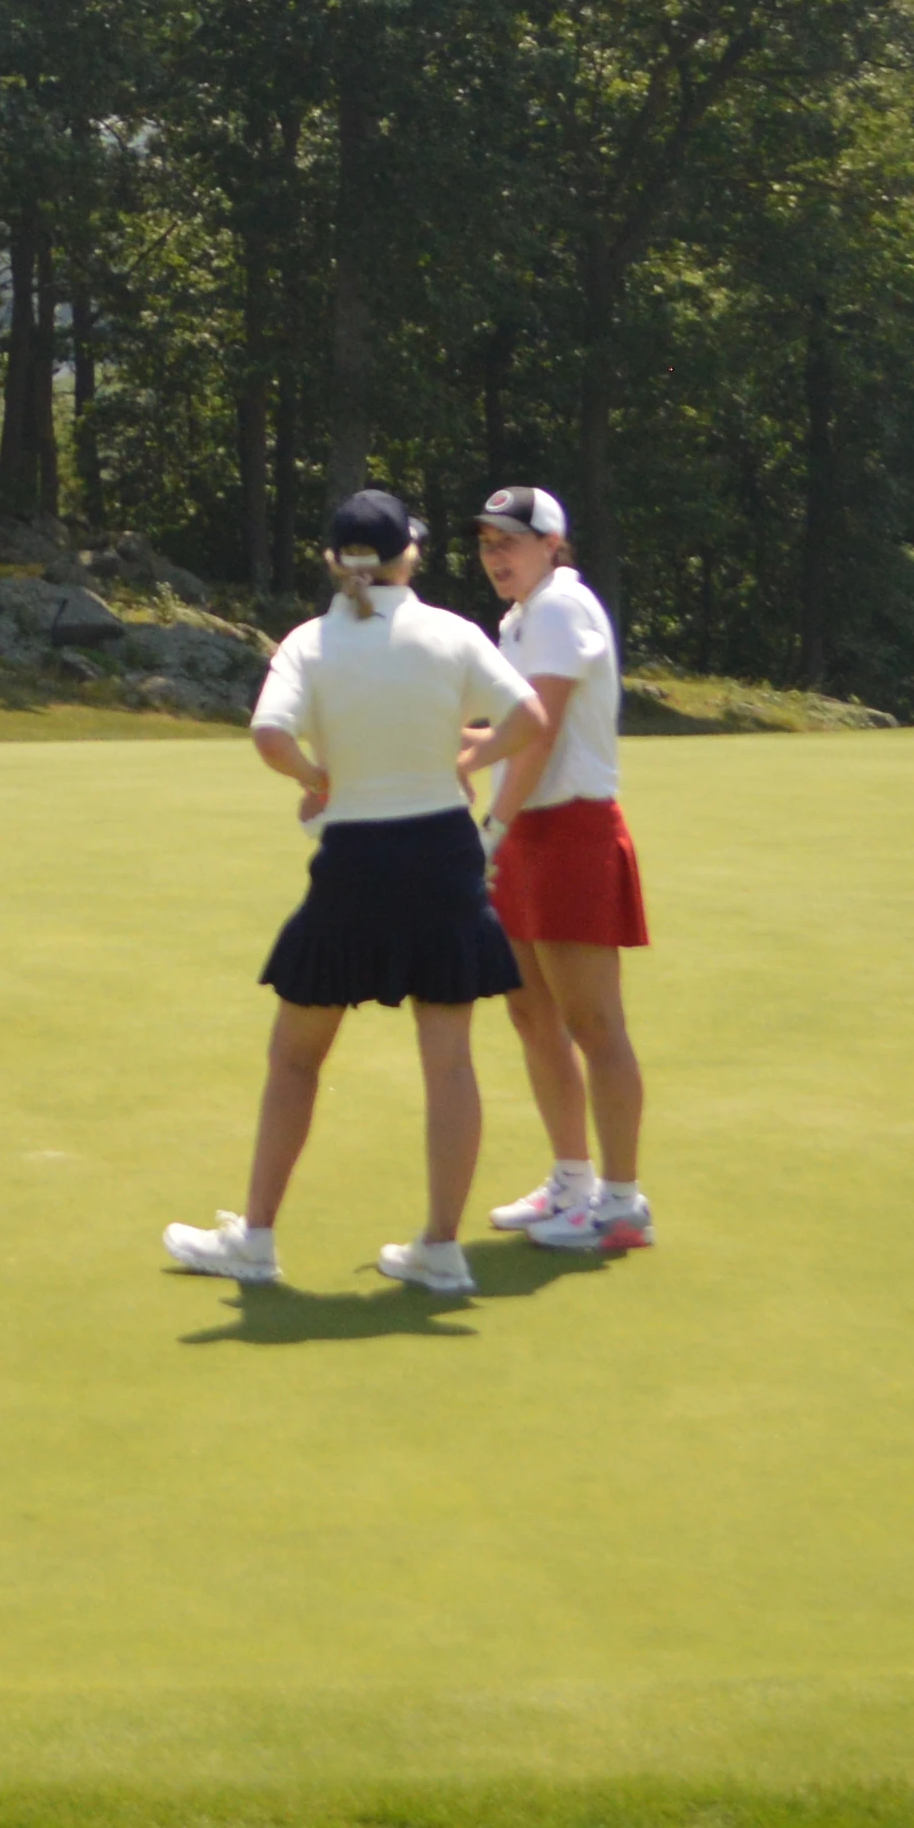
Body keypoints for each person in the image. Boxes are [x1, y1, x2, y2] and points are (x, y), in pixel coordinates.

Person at [165, 489, 538, 1298]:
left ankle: (256, 1241)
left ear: (335, 563)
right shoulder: (452, 633)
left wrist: (315, 777)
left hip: (354, 864)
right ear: (411, 554)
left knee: (295, 1057)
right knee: (448, 1063)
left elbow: (269, 734)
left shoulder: (310, 641)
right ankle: (441, 1246)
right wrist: (465, 763)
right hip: (442, 854)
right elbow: (529, 718)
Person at [464, 485, 657, 1260]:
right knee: (531, 1015)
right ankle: (573, 1181)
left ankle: (620, 1203)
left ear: (553, 544)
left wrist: (491, 828)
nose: (496, 556)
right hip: (531, 838)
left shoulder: (558, 609)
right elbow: (507, 732)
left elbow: (534, 736)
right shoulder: (518, 620)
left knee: (591, 1022)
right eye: (485, 544)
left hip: (571, 832)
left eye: (511, 541)